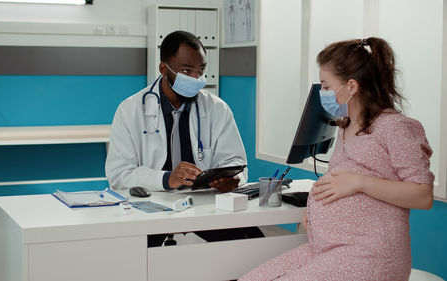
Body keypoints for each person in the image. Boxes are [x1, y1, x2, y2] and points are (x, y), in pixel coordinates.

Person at [240, 37, 434, 281]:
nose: (321, 94)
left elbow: (423, 195)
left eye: (326, 86)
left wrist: (359, 182)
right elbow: (340, 180)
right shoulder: (347, 126)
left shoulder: (395, 127)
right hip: (327, 248)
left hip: (369, 255)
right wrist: (315, 209)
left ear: (351, 87)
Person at [105, 30, 263, 247]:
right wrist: (166, 178)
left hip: (204, 203)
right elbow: (119, 174)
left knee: (251, 242)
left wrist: (231, 179)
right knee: (134, 254)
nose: (196, 78)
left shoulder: (217, 108)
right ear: (163, 69)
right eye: (186, 70)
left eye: (201, 70)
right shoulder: (130, 110)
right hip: (151, 205)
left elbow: (236, 162)